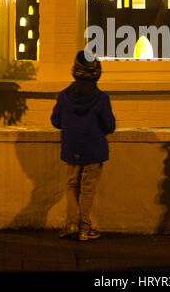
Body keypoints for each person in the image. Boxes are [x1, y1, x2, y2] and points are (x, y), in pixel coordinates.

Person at [51, 50, 116, 241]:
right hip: (94, 149)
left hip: (72, 147)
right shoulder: (101, 98)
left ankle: (71, 223)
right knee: (87, 189)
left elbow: (56, 121)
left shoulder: (64, 96)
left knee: (72, 185)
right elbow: (109, 126)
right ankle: (85, 228)